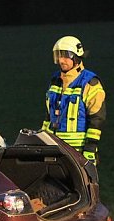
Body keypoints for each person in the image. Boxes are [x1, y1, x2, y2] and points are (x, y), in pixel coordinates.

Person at [41, 36, 106, 164]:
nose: (61, 60)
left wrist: (90, 148)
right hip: (53, 150)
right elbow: (49, 116)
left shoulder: (90, 82)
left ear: (76, 57)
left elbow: (97, 119)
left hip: (78, 153)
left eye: (65, 56)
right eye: (58, 56)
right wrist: (41, 139)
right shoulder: (55, 80)